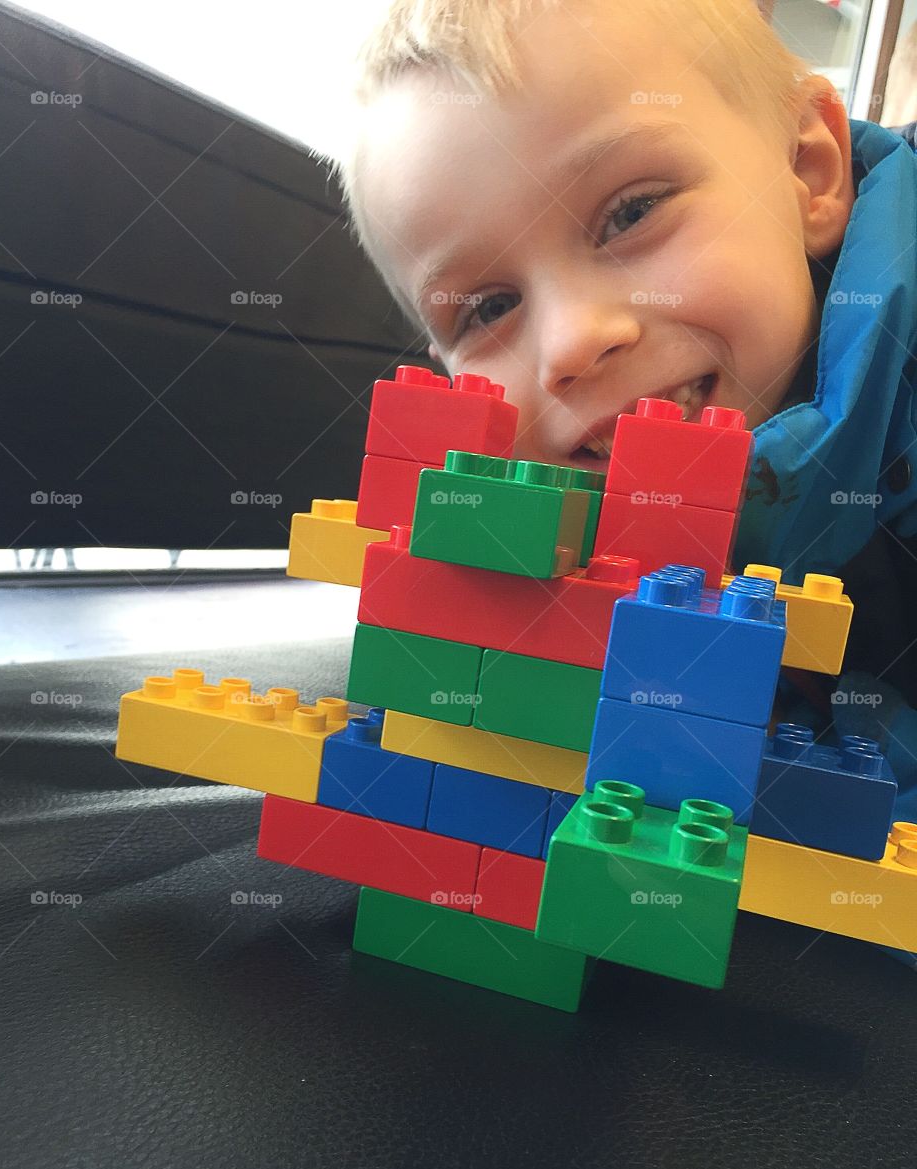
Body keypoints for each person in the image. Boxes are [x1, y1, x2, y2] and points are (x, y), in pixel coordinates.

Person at [329, 0, 917, 946]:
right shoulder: (548, 517)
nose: (572, 340)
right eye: (486, 308)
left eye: (631, 213)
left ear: (810, 172)